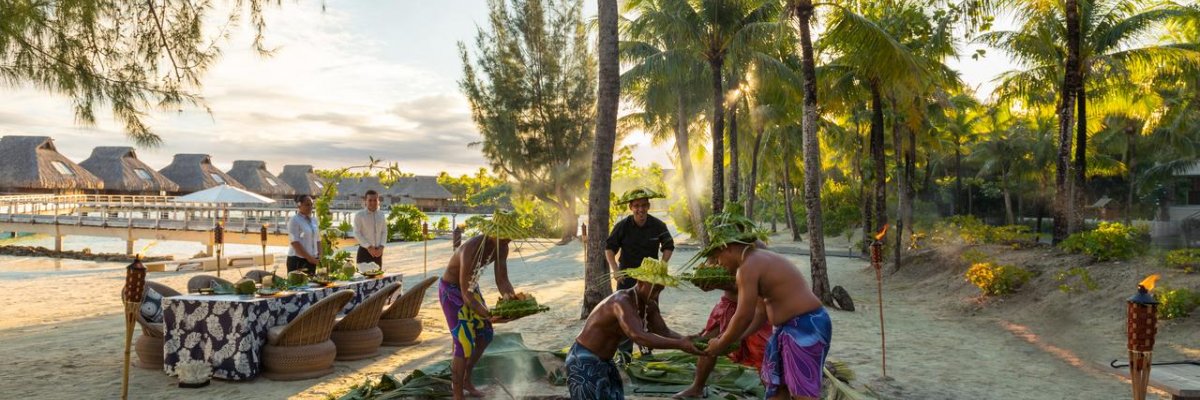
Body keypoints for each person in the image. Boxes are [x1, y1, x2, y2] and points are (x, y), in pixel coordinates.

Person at [700, 210, 831, 400]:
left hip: (805, 326)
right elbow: (760, 312)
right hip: (789, 328)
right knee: (778, 388)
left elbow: (743, 314)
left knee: (802, 394)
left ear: (727, 247)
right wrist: (737, 338)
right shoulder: (757, 259)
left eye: (718, 258)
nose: (719, 264)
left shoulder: (747, 268)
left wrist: (721, 343)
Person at [567, 258, 700, 400]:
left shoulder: (649, 304)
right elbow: (638, 335)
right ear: (641, 282)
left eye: (661, 289)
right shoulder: (621, 301)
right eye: (655, 288)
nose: (657, 294)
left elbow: (663, 331)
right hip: (584, 359)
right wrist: (680, 344)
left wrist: (690, 341)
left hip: (605, 361)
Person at [439, 210, 523, 400]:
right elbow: (466, 293)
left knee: (485, 335)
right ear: (493, 233)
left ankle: (467, 378)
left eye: (510, 237)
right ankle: (457, 393)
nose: (508, 241)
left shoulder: (503, 246)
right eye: (504, 237)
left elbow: (502, 280)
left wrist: (512, 302)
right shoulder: (471, 249)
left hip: (470, 288)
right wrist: (487, 313)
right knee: (464, 342)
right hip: (452, 291)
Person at [674, 242, 773, 399]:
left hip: (753, 306)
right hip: (727, 305)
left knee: (762, 353)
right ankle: (697, 387)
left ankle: (775, 393)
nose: (718, 261)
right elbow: (711, 270)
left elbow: (754, 292)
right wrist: (708, 282)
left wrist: (729, 284)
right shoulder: (717, 248)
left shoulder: (755, 251)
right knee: (707, 342)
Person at [606, 187, 674, 290]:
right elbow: (609, 248)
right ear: (630, 207)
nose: (640, 209)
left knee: (649, 306)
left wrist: (662, 265)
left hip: (650, 278)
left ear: (648, 206)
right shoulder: (622, 226)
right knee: (626, 305)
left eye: (644, 205)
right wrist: (615, 270)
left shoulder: (659, 225)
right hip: (626, 277)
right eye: (636, 206)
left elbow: (668, 246)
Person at [352, 190, 387, 268]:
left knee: (377, 277)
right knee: (364, 278)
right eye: (370, 200)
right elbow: (356, 233)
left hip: (378, 253)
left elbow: (384, 232)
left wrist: (382, 247)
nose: (373, 202)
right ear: (365, 201)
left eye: (375, 200)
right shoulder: (359, 215)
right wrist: (369, 247)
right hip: (364, 251)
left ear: (378, 201)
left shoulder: (381, 215)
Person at [286, 194, 319, 274]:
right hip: (297, 260)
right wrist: (309, 258)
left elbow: (318, 239)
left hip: (312, 260)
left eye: (311, 205)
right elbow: (295, 242)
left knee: (312, 285)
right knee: (298, 285)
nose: (310, 207)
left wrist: (319, 256)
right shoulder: (294, 220)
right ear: (299, 205)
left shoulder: (314, 221)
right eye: (307, 205)